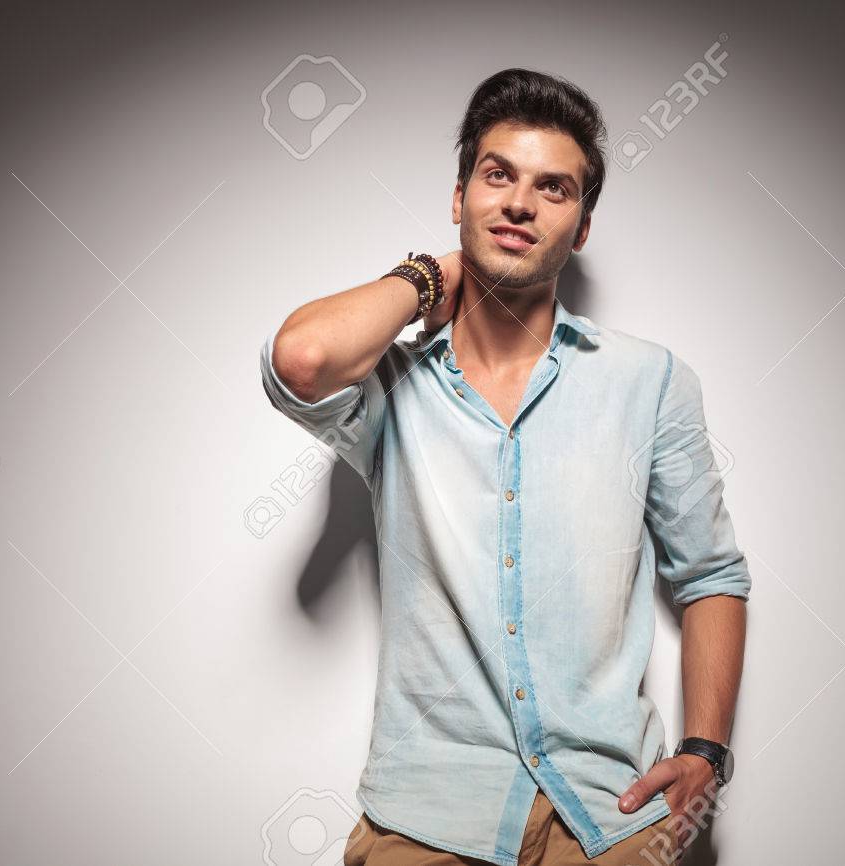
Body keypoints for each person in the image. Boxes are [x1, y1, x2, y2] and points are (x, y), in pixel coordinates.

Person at [260, 67, 750, 866]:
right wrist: (435, 277)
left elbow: (711, 576)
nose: (520, 203)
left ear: (582, 227)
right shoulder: (390, 389)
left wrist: (707, 751)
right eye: (498, 176)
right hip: (425, 817)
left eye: (554, 188)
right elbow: (305, 358)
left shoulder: (650, 380)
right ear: (459, 201)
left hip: (612, 817)